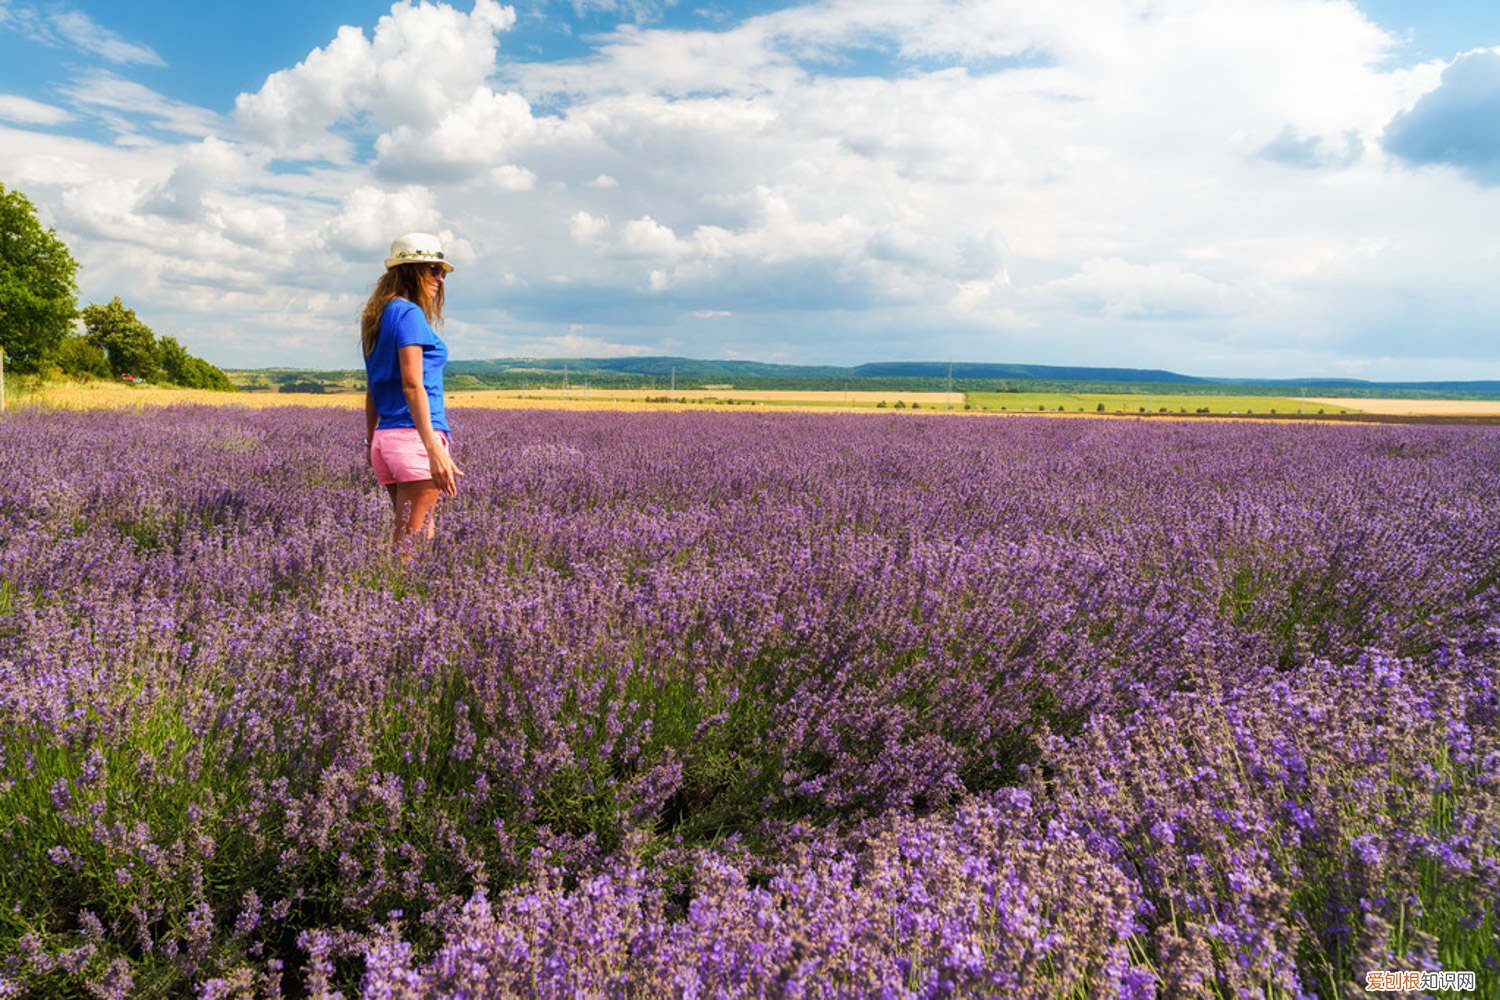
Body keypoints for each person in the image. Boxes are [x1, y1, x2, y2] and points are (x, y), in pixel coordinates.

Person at [361, 232, 463, 547]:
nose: (440, 279)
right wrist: (433, 449)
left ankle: (407, 593)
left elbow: (373, 388)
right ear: (411, 270)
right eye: (433, 270)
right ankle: (387, 595)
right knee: (410, 544)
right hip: (414, 440)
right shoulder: (408, 314)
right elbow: (411, 383)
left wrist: (371, 441)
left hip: (387, 440)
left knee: (416, 535)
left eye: (442, 271)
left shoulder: (377, 316)